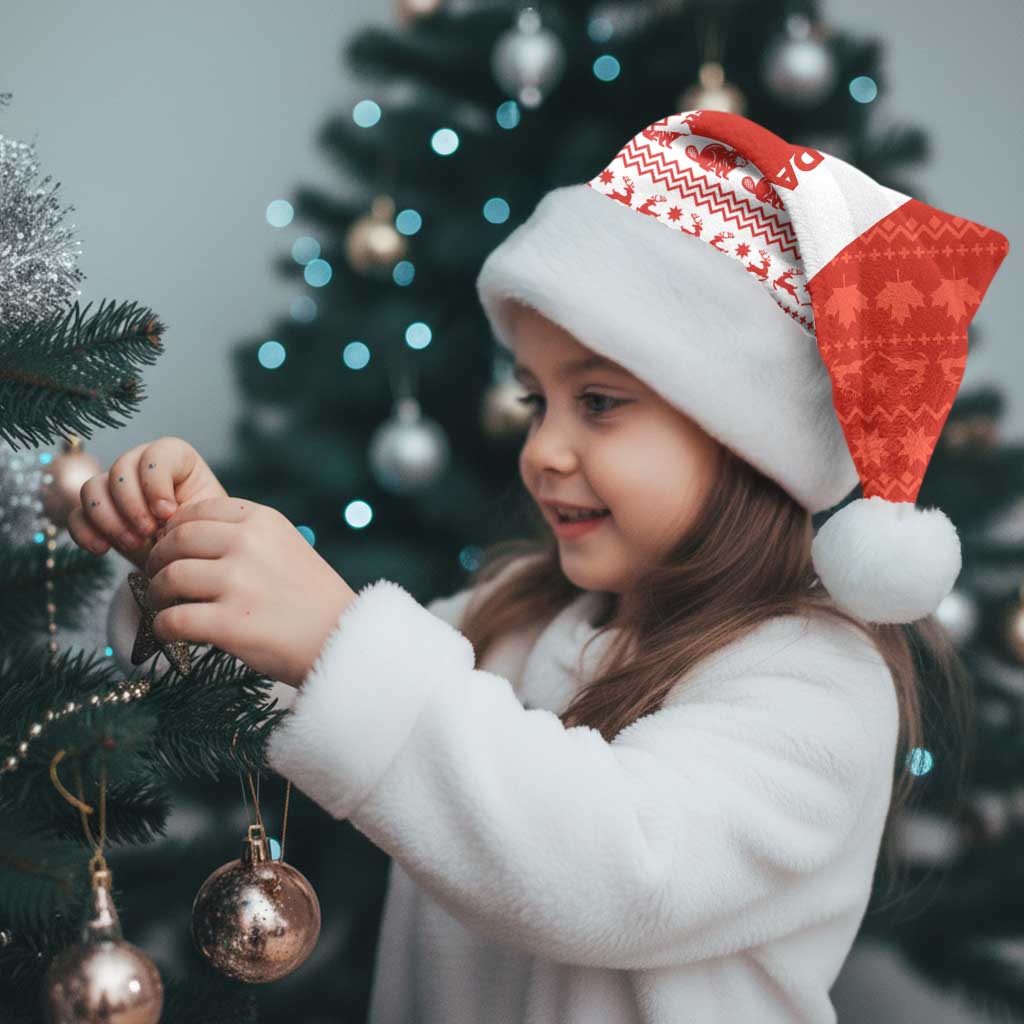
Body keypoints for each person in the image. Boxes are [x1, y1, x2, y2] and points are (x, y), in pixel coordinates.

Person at [73, 110, 1009, 1023]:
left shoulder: (818, 683)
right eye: (535, 401)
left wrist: (335, 636)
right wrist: (191, 566)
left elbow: (616, 870)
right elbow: (306, 692)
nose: (543, 450)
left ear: (747, 442)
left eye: (598, 403)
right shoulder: (515, 616)